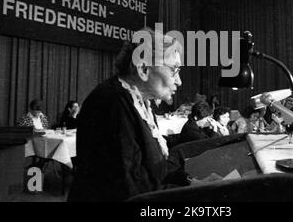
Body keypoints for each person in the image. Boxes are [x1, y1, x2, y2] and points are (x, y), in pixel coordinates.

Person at [68, 29, 221, 202]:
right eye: (174, 70)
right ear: (143, 69)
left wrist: (191, 182)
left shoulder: (140, 103)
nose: (179, 81)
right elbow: (130, 189)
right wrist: (194, 192)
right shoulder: (112, 103)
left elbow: (153, 172)